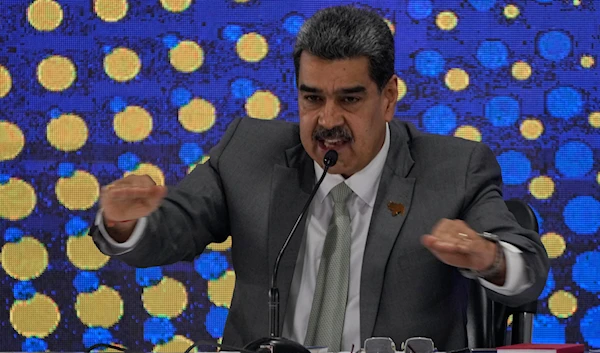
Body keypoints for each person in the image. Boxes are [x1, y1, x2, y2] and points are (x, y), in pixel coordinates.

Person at [91, 5, 549, 352]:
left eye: (349, 100)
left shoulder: (453, 170)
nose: (327, 120)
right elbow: (175, 226)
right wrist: (125, 225)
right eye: (312, 98)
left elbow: (528, 270)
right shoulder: (248, 152)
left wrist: (488, 256)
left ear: (388, 98)